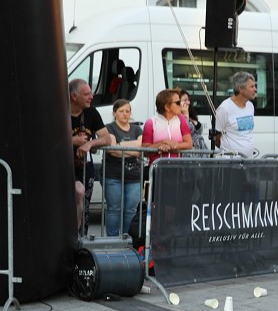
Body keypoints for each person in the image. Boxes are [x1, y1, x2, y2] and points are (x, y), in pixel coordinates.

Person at [71, 78, 114, 234]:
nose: (91, 97)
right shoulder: (59, 111)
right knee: (78, 192)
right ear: (74, 96)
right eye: (87, 94)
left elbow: (107, 138)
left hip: (85, 167)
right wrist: (72, 140)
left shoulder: (91, 112)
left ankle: (81, 239)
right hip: (62, 166)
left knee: (85, 206)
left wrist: (89, 144)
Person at [103, 99, 144, 239]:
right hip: (113, 175)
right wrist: (133, 149)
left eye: (127, 111)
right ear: (114, 113)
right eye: (121, 111)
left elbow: (141, 147)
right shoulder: (109, 127)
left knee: (131, 210)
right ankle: (112, 240)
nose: (125, 114)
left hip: (134, 176)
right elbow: (112, 150)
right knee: (114, 209)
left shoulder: (137, 128)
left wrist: (122, 145)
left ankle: (127, 240)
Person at [142, 88, 193, 163]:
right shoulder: (150, 123)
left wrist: (173, 146)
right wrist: (162, 143)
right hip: (157, 169)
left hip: (177, 167)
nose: (181, 105)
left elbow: (189, 144)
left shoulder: (181, 118)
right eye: (178, 102)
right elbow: (145, 151)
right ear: (167, 107)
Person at [215, 71, 257, 156]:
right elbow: (216, 137)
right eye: (252, 86)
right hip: (231, 163)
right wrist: (229, 152)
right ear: (241, 89)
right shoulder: (224, 108)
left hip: (248, 160)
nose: (255, 89)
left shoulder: (250, 106)